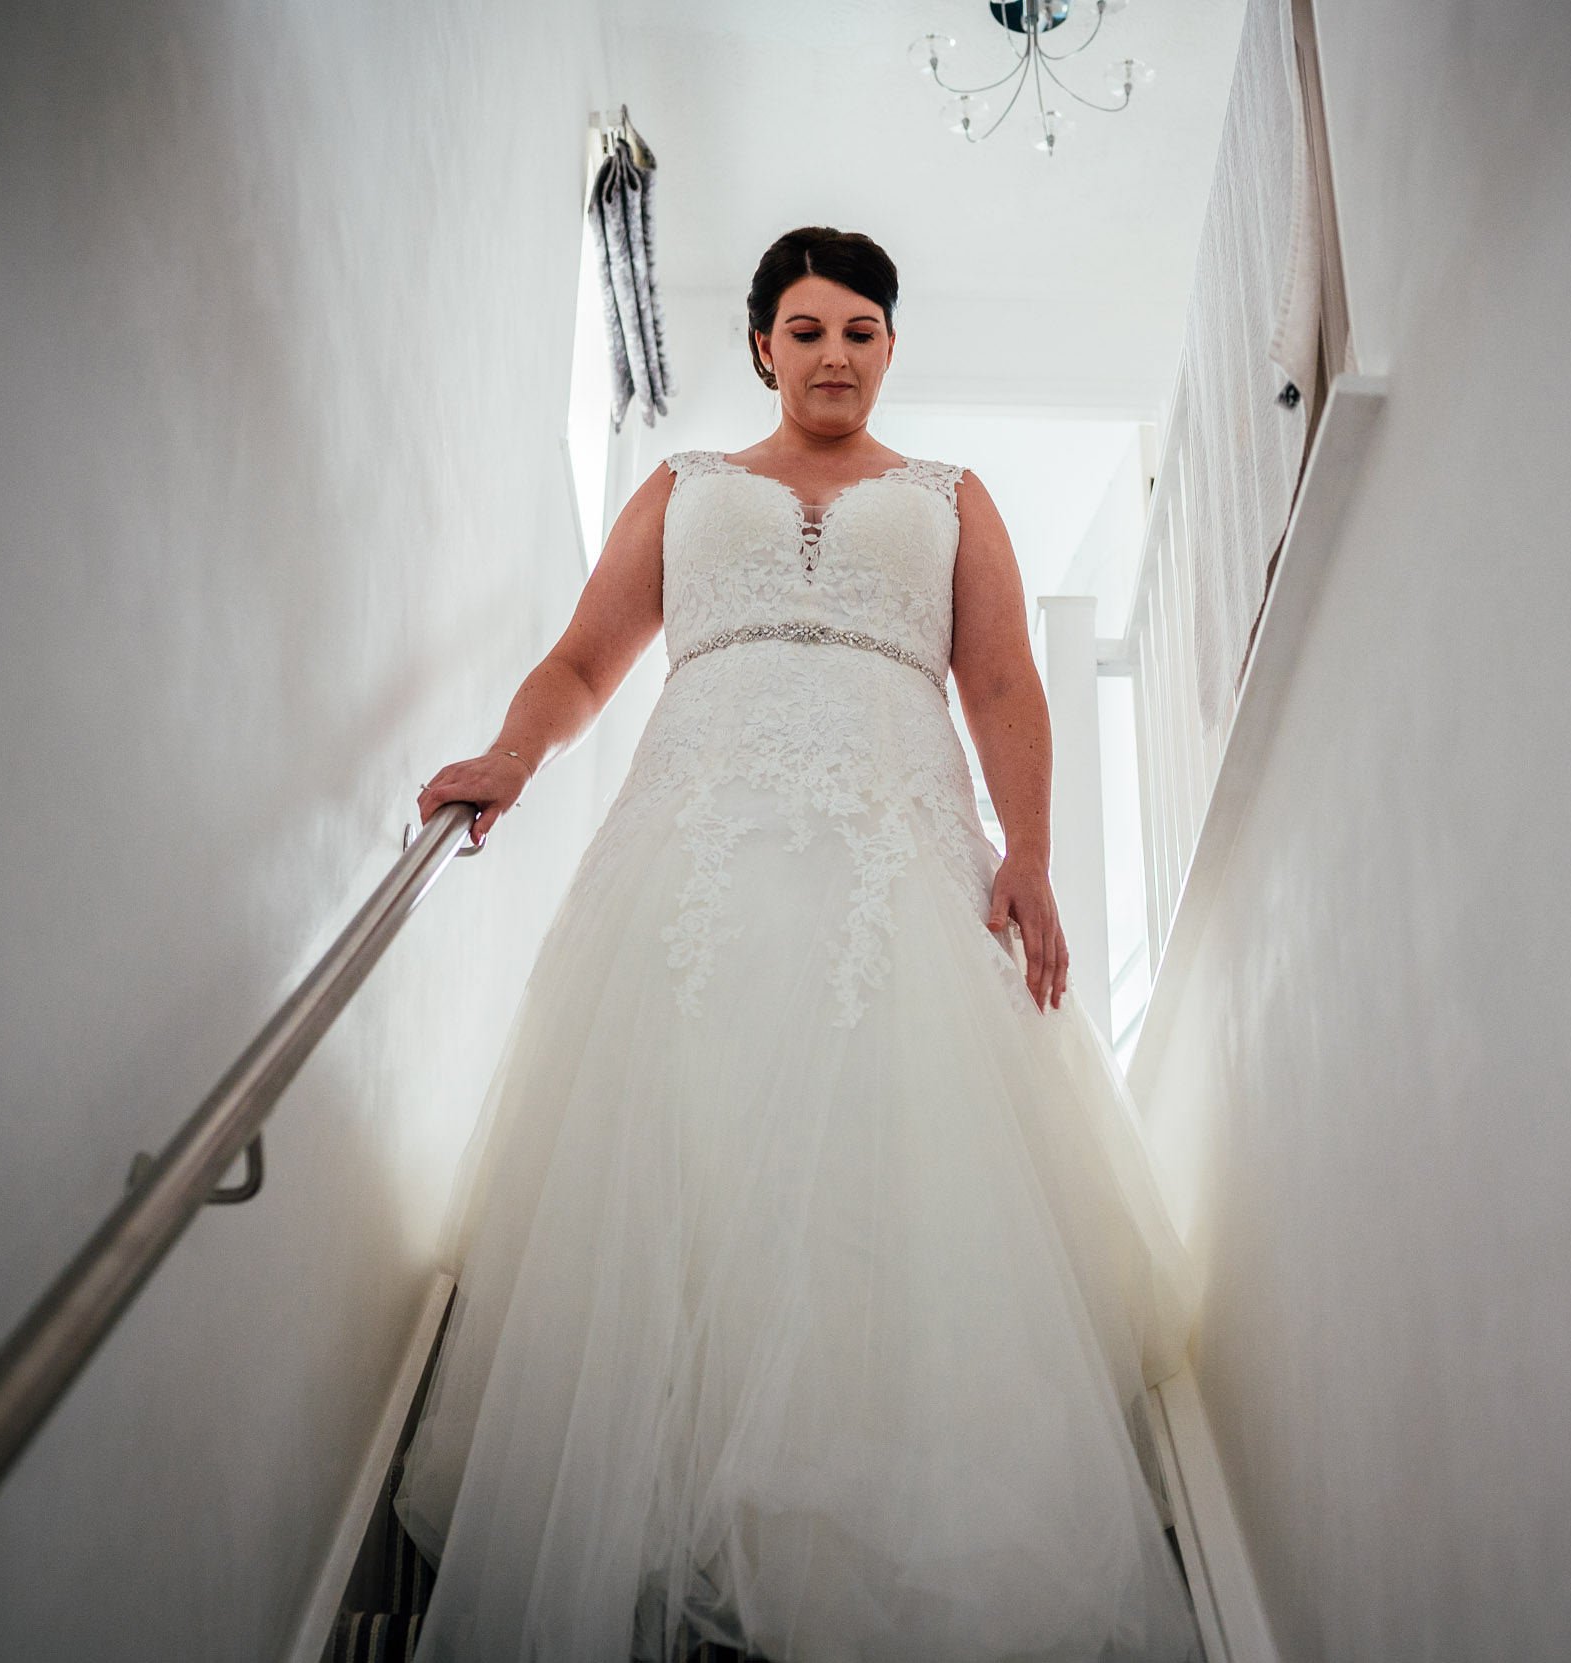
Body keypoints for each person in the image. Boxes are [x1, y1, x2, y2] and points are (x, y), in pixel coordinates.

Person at [394, 224, 1203, 1662]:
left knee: (893, 1155)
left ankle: (857, 1527)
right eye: (809, 330)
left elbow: (1006, 679)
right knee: (682, 1150)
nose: (836, 354)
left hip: (897, 840)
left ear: (890, 348)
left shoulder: (952, 498)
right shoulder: (686, 488)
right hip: (698, 841)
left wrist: (1029, 856)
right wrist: (510, 759)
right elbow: (587, 658)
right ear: (762, 345)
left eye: (862, 330)